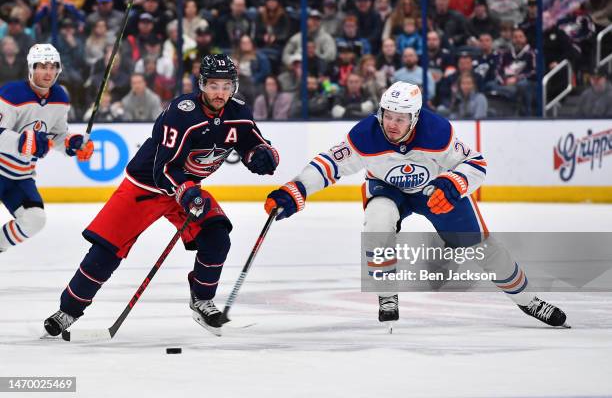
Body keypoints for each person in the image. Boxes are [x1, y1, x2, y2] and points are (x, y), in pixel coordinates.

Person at [264, 81, 568, 329]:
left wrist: (453, 184)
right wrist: (295, 190)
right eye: (388, 115)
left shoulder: (437, 132)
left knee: (481, 247)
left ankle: (529, 300)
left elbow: (475, 163)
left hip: (434, 190)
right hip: (386, 188)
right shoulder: (364, 135)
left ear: (415, 117)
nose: (392, 124)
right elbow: (328, 165)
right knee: (379, 222)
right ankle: (387, 294)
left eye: (401, 118)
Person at [43, 54, 279, 337]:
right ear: (202, 84)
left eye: (227, 86)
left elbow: (254, 143)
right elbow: (163, 169)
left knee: (216, 236)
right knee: (105, 252)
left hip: (185, 189)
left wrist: (260, 156)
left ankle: (202, 300)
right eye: (214, 85)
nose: (220, 93)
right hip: (145, 186)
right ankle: (67, 311)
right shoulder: (183, 113)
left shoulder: (238, 112)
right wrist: (188, 192)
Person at [0, 44, 94, 253]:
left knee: (35, 220)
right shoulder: (11, 94)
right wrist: (23, 143)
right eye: (42, 66)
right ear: (31, 68)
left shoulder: (60, 97)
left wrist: (73, 144)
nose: (48, 72)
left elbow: (57, 135)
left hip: (20, 177)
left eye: (53, 67)